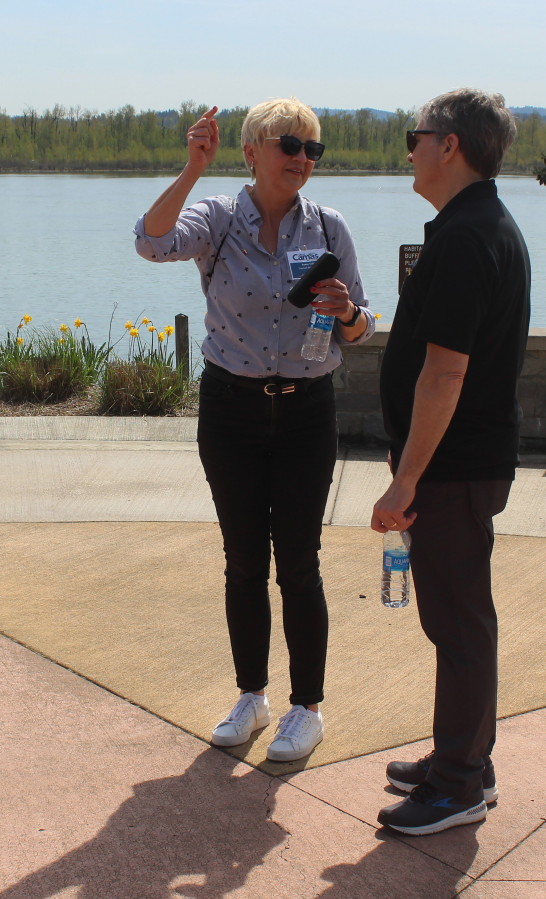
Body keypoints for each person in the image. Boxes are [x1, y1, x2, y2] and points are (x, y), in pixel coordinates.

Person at [134, 98, 374, 761]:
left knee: (298, 562)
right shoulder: (215, 217)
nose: (302, 158)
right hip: (231, 409)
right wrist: (189, 168)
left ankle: (308, 707)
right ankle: (252, 696)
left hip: (305, 411)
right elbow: (150, 241)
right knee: (243, 562)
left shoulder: (329, 226)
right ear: (252, 151)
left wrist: (348, 313)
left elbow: (363, 326)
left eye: (312, 150)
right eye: (289, 144)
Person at [371, 88, 530, 835]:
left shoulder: (469, 236)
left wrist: (406, 478)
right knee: (459, 619)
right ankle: (462, 759)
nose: (411, 148)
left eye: (418, 135)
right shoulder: (474, 225)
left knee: (460, 624)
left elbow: (445, 373)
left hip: (454, 466)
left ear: (452, 145)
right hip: (460, 463)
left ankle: (459, 784)